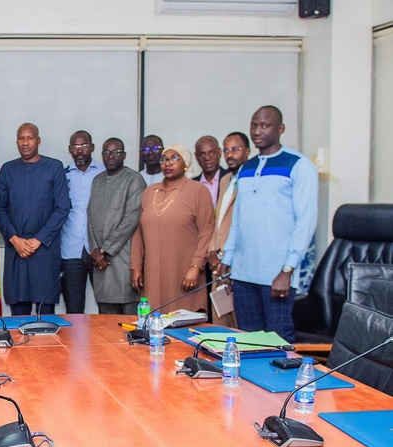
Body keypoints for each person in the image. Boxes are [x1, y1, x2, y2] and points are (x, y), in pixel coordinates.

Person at [218, 106, 318, 341]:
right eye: (254, 125)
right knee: (247, 342)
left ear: (280, 129)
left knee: (278, 343)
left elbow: (305, 222)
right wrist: (228, 259)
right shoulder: (246, 168)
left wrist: (287, 270)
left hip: (277, 275)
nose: (257, 131)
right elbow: (238, 220)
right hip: (243, 275)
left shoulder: (298, 165)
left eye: (265, 125)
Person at [0, 123, 70, 316]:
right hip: (16, 252)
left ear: (38, 140)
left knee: (45, 318)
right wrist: (14, 239)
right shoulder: (7, 170)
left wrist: (38, 240)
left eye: (30, 138)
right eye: (21, 138)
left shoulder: (54, 167)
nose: (25, 143)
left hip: (44, 250)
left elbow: (62, 207)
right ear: (16, 141)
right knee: (18, 316)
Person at [131, 144, 215, 313]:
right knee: (154, 319)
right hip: (153, 272)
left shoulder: (198, 190)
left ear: (186, 163)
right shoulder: (149, 192)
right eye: (164, 159)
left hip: (184, 271)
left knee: (184, 322)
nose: (167, 163)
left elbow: (207, 231)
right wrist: (136, 266)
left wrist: (195, 267)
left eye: (174, 158)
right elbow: (139, 233)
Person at [88, 138, 146, 315]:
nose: (111, 156)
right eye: (106, 152)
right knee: (105, 324)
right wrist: (95, 251)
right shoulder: (97, 181)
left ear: (124, 155)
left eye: (116, 152)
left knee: (130, 323)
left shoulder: (134, 180)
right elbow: (89, 217)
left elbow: (130, 220)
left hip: (124, 260)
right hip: (100, 265)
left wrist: (104, 250)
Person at [207, 131, 251, 327]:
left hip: (238, 264)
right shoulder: (225, 181)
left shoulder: (251, 181)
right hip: (218, 265)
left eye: (235, 149)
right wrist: (211, 251)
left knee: (242, 325)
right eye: (226, 150)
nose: (229, 155)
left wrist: (228, 258)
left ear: (248, 151)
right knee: (221, 325)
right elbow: (219, 221)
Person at [61, 130, 105, 314]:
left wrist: (105, 248)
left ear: (92, 147)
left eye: (84, 146)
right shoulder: (62, 174)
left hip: (100, 250)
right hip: (71, 249)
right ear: (70, 149)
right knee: (74, 309)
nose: (80, 151)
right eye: (75, 147)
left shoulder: (105, 172)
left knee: (106, 305)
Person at [192, 136, 230, 208]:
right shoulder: (192, 185)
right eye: (202, 154)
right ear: (196, 157)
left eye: (211, 153)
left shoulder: (230, 179)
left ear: (219, 153)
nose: (207, 158)